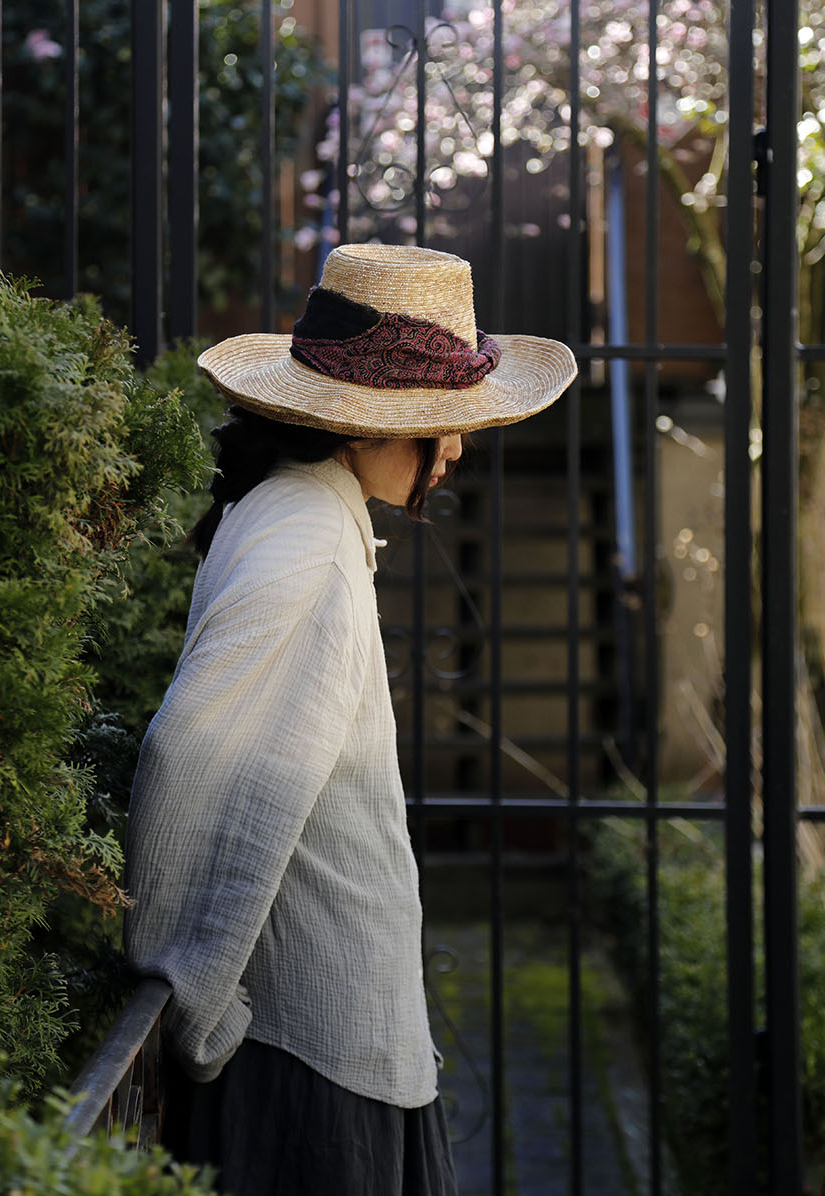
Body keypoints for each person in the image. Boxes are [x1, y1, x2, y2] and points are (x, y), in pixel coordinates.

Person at [123, 242, 576, 1195]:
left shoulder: (298, 510)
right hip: (306, 1058)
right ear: (371, 424)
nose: (457, 447)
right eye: (444, 424)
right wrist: (199, 1000)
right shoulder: (308, 542)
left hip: (319, 1037)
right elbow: (194, 760)